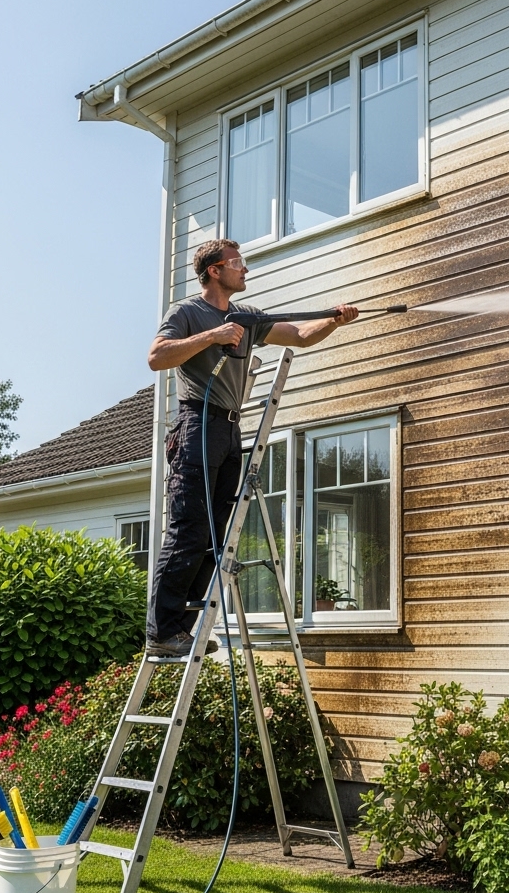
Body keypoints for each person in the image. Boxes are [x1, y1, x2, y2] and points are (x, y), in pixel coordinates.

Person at [145, 238, 358, 657]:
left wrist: (335, 320)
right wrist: (213, 336)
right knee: (189, 526)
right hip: (196, 424)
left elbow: (298, 335)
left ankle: (180, 632)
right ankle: (161, 630)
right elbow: (157, 357)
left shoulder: (247, 316)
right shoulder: (187, 312)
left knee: (217, 534)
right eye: (237, 263)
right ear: (213, 270)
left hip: (229, 430)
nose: (245, 270)